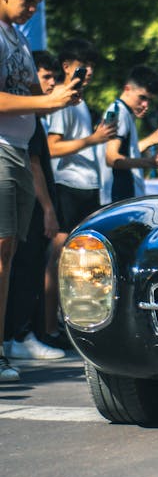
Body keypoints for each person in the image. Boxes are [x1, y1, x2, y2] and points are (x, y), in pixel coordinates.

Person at [0, 0, 79, 381]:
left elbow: (30, 91)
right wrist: (48, 102)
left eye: (37, 4)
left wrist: (64, 93)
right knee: (1, 253)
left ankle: (6, 344)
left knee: (9, 255)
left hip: (17, 150)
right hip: (0, 150)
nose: (32, 9)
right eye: (27, 1)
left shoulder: (17, 38)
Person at [45, 38, 116, 347]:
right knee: (59, 260)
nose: (89, 73)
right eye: (84, 67)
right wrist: (93, 139)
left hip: (87, 187)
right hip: (68, 187)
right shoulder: (63, 102)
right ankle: (48, 328)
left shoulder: (81, 102)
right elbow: (52, 147)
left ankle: (73, 324)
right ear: (66, 67)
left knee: (84, 262)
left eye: (92, 68)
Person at [4, 50, 65, 360]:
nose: (50, 83)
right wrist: (49, 208)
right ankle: (18, 335)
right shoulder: (27, 118)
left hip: (30, 196)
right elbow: (35, 163)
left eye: (54, 78)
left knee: (20, 264)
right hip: (31, 198)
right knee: (22, 266)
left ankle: (18, 335)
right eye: (45, 77)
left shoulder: (33, 119)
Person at [100, 65, 158, 204]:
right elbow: (111, 157)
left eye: (149, 100)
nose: (145, 104)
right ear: (127, 89)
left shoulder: (125, 113)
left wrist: (151, 140)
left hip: (124, 198)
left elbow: (127, 152)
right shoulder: (117, 112)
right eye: (142, 98)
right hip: (118, 198)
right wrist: (150, 162)